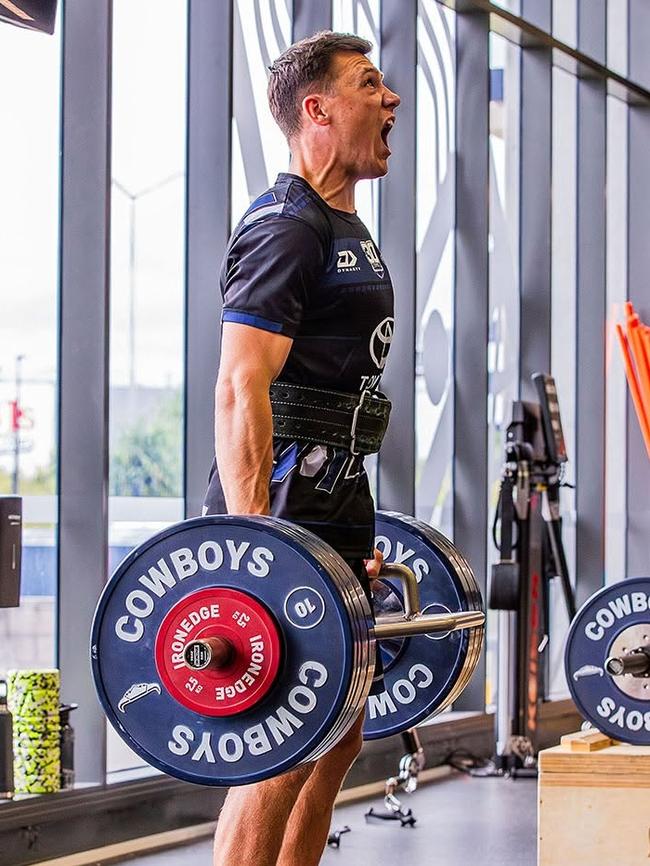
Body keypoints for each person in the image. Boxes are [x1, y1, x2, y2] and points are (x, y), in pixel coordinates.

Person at [203, 30, 400, 866]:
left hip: (335, 498)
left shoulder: (340, 222)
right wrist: (254, 545)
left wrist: (355, 528)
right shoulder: (289, 226)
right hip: (284, 507)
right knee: (279, 750)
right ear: (317, 109)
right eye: (369, 85)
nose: (390, 100)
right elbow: (240, 385)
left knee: (335, 741)